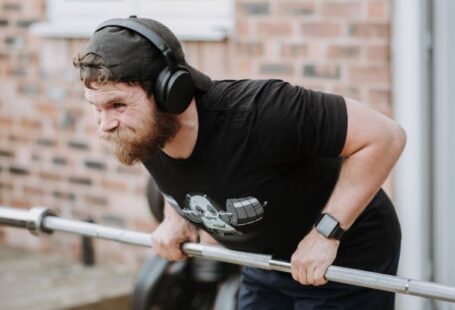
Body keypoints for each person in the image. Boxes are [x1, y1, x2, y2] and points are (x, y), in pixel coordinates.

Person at [73, 16, 406, 310]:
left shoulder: (263, 113)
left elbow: (385, 136)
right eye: (96, 107)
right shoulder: (143, 132)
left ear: (169, 94)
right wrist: (174, 215)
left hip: (343, 254)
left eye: (117, 104)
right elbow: (189, 172)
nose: (105, 124)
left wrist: (325, 234)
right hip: (265, 261)